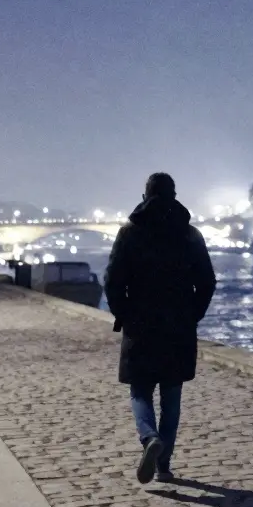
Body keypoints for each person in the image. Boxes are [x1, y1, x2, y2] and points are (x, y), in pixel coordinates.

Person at [104, 173, 216, 484]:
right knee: (171, 395)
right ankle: (164, 464)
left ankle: (149, 437)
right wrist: (192, 314)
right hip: (178, 326)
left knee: (140, 390)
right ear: (174, 195)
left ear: (145, 196)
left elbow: (113, 281)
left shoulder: (129, 234)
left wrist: (124, 313)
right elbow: (206, 282)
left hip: (140, 324)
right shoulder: (190, 235)